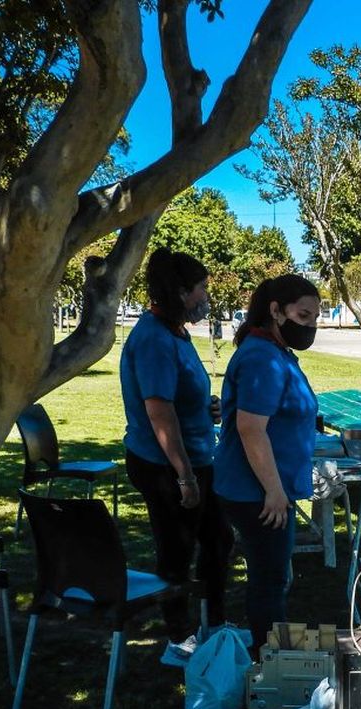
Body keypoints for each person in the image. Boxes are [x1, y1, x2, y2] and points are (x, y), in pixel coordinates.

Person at [120, 248, 234, 668]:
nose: (207, 296)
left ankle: (213, 624)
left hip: (195, 456)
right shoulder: (152, 337)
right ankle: (179, 640)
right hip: (165, 465)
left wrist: (206, 408)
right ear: (181, 291)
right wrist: (185, 477)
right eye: (202, 288)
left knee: (219, 539)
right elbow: (159, 410)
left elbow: (180, 397)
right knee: (177, 548)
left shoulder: (177, 333)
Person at [213, 274, 322, 652]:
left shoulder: (276, 353)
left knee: (272, 576)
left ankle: (270, 657)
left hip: (265, 487)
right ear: (276, 311)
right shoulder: (261, 356)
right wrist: (274, 491)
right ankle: (269, 665)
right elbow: (250, 429)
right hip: (256, 491)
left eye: (314, 319)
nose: (309, 326)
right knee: (270, 580)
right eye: (303, 316)